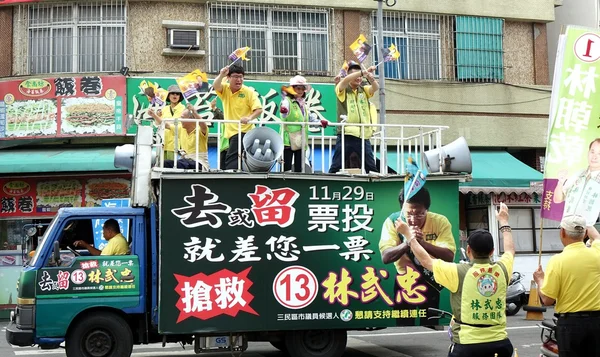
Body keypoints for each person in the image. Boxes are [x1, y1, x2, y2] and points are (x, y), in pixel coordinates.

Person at [405, 202, 515, 357]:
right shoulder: (503, 269)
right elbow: (510, 250)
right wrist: (504, 222)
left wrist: (410, 237)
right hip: (501, 345)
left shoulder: (458, 271)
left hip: (467, 346)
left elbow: (426, 261)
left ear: (468, 250)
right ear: (492, 251)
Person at [379, 187, 456, 324]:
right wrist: (408, 241)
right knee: (403, 324)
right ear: (402, 209)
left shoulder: (440, 221)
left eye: (420, 214)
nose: (413, 220)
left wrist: (422, 243)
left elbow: (449, 256)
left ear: (427, 209)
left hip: (431, 280)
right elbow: (386, 257)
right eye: (409, 214)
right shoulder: (393, 221)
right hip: (405, 280)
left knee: (431, 322)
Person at [533, 215, 600, 357]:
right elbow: (597, 237)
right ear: (585, 233)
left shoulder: (558, 261)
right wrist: (584, 218)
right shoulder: (597, 253)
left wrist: (540, 280)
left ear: (562, 232)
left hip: (571, 324)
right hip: (597, 323)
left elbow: (547, 299)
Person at [329, 61, 379, 174]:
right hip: (347, 132)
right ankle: (330, 180)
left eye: (360, 76)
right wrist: (362, 72)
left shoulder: (363, 90)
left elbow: (375, 88)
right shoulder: (342, 89)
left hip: (362, 133)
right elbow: (346, 80)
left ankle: (375, 183)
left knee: (370, 164)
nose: (359, 78)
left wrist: (371, 78)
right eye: (356, 76)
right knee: (337, 162)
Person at [213, 64, 263, 170]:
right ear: (229, 78)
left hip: (244, 131)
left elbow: (259, 109)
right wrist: (221, 74)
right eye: (235, 77)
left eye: (241, 77)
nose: (238, 80)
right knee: (228, 158)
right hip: (229, 133)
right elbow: (216, 85)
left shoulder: (248, 92)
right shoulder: (225, 89)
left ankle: (232, 181)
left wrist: (249, 118)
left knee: (232, 159)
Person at [279, 75, 328, 172]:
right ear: (293, 89)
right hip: (287, 138)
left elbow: (309, 118)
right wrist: (284, 111)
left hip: (300, 139)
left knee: (300, 167)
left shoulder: (303, 104)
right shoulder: (286, 101)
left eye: (302, 89)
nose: (300, 91)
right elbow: (284, 114)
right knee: (286, 167)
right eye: (298, 88)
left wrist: (319, 122)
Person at [553, 138, 600, 227]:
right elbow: (557, 199)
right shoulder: (578, 174)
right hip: (567, 228)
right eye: (592, 152)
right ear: (588, 152)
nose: (594, 157)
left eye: (599, 153)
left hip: (588, 230)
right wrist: (560, 182)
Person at [165, 103, 209, 170]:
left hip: (199, 163)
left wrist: (194, 112)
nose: (180, 120)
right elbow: (167, 125)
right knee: (166, 163)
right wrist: (153, 115)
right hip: (185, 161)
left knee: (172, 163)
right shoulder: (181, 129)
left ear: (190, 118)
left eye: (182, 117)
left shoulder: (200, 130)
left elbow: (203, 125)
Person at [148, 85, 187, 161]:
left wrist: (154, 115)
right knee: (161, 166)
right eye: (172, 93)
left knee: (172, 167)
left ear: (180, 97)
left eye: (177, 94)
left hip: (176, 144)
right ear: (168, 96)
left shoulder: (183, 109)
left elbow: (170, 125)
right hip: (163, 143)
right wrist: (156, 116)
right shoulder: (164, 109)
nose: (175, 95)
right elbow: (157, 124)